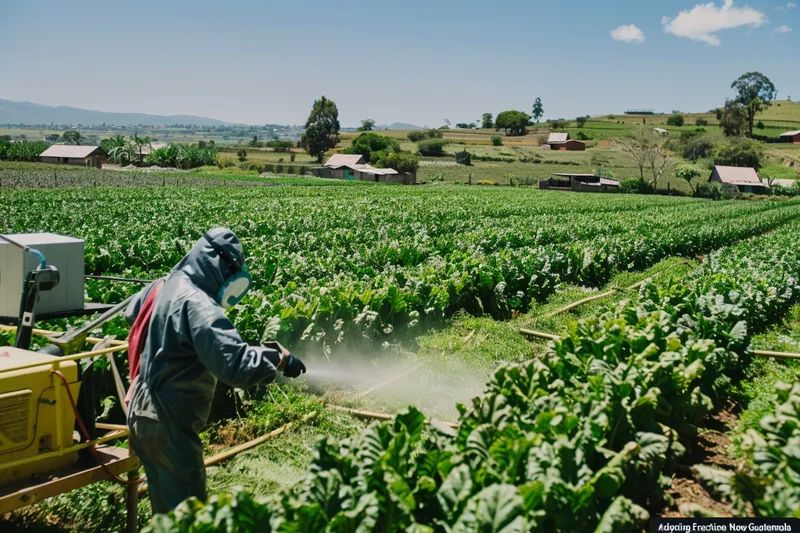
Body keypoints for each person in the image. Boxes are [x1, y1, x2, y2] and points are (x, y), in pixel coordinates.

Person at [124, 227, 305, 514]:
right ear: (217, 263)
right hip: (170, 423)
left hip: (140, 413)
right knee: (188, 514)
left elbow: (132, 311)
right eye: (231, 271)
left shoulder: (165, 284)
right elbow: (233, 364)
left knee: (165, 513)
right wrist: (277, 358)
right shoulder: (198, 304)